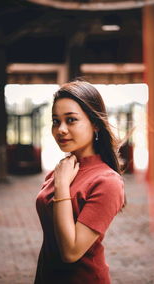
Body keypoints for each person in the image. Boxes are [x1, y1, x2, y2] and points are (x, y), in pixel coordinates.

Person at [34, 80, 125, 284]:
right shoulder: (64, 169)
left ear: (94, 124)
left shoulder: (107, 181)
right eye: (56, 121)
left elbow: (71, 251)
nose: (61, 129)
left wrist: (61, 187)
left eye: (71, 120)